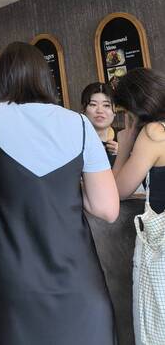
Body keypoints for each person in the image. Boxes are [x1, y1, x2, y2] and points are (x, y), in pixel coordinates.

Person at [0, 41, 118, 345]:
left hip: (13, 287)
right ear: (45, 78)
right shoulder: (80, 123)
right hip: (78, 283)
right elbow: (107, 209)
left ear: (1, 80)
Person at [112, 68, 165, 345]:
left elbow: (117, 192)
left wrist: (123, 147)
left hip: (161, 253)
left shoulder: (154, 133)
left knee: (155, 329)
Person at [82, 82, 118, 167]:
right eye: (93, 104)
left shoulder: (126, 138)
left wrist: (122, 155)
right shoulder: (76, 141)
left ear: (115, 110)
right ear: (83, 110)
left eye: (106, 105)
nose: (100, 111)